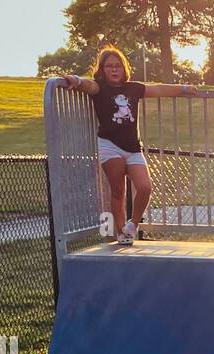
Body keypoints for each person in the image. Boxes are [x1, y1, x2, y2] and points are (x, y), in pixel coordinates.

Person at [62, 48, 198, 246]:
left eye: (117, 66)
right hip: (109, 145)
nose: (114, 70)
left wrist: (183, 89)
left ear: (123, 68)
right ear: (103, 69)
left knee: (144, 187)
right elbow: (88, 86)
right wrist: (76, 80)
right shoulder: (100, 88)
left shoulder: (133, 89)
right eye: (109, 66)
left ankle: (132, 225)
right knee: (118, 191)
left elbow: (158, 88)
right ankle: (120, 233)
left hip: (133, 148)